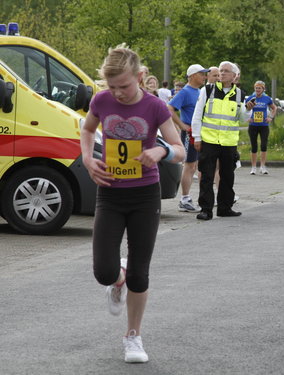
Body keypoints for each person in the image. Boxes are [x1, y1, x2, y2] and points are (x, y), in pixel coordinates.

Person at [80, 44, 185, 363]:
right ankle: (117, 278)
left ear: (140, 77)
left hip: (144, 195)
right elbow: (87, 129)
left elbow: (180, 149)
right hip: (110, 193)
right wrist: (87, 158)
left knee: (141, 273)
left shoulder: (155, 107)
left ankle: (133, 337)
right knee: (103, 271)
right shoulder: (101, 100)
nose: (118, 93)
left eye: (124, 86)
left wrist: (161, 152)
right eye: (112, 87)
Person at [191, 61, 253, 220]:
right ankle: (206, 209)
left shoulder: (240, 94)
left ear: (234, 76)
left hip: (228, 142)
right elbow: (197, 115)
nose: (222, 73)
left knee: (227, 176)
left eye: (226, 71)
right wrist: (197, 137)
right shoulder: (208, 90)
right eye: (220, 71)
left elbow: (241, 118)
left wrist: (248, 110)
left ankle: (225, 208)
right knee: (206, 176)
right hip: (209, 140)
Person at [168, 64, 209, 213]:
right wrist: (182, 125)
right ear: (192, 76)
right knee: (190, 165)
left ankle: (191, 198)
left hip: (199, 133)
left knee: (195, 165)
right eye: (201, 74)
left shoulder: (199, 91)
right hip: (190, 133)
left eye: (205, 74)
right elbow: (169, 108)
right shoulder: (185, 92)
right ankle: (184, 199)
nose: (204, 77)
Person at [245, 81, 277, 175]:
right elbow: (245, 109)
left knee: (263, 145)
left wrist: (270, 117)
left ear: (263, 89)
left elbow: (274, 108)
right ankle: (253, 167)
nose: (258, 90)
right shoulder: (251, 98)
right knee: (254, 146)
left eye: (259, 88)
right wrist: (248, 118)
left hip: (264, 126)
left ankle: (263, 166)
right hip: (253, 126)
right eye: (256, 88)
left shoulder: (267, 98)